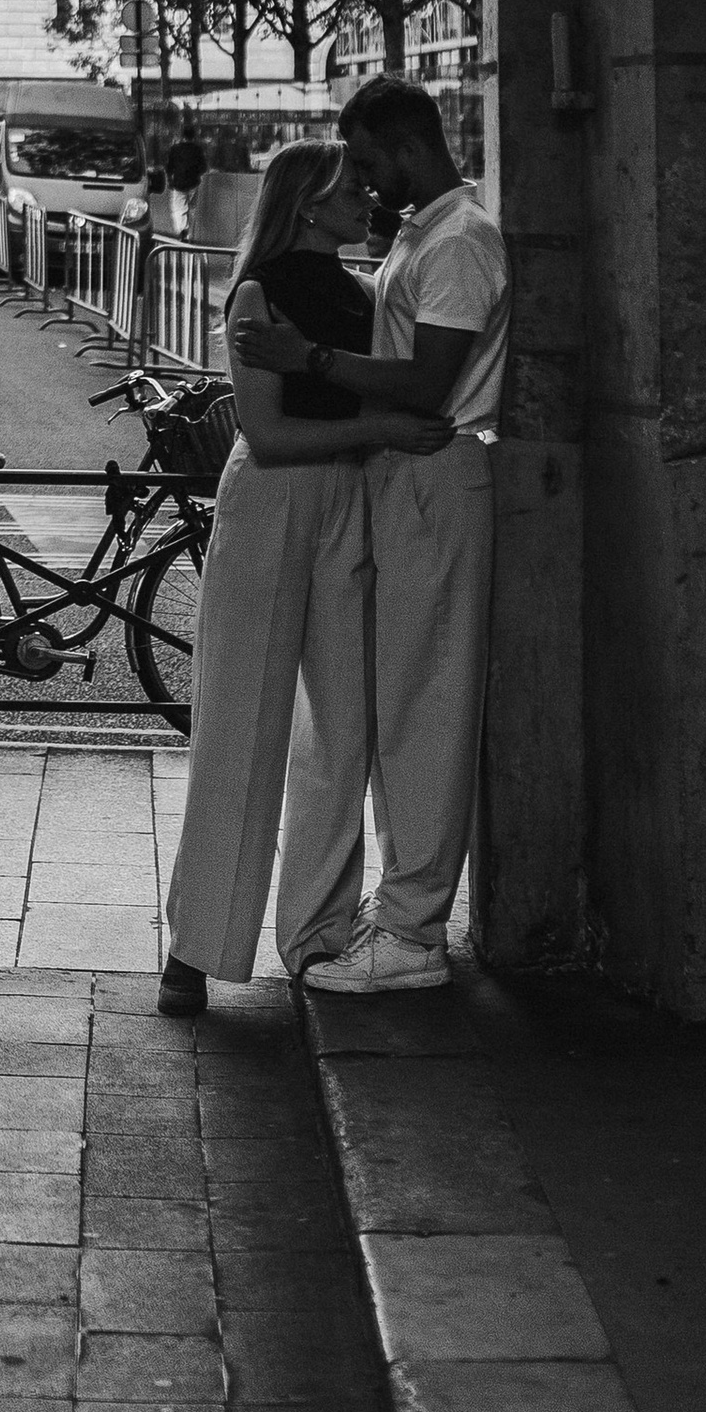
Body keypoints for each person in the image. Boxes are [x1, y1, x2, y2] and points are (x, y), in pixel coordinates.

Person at [158, 143, 455, 1017]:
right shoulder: (260, 293)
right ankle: (196, 948)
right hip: (274, 499)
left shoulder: (364, 292)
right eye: (348, 185)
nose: (366, 194)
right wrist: (379, 431)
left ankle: (317, 936)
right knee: (239, 726)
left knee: (341, 728)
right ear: (307, 203)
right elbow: (269, 434)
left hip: (340, 498)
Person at [231, 74, 511, 995]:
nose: (362, 179)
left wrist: (308, 358)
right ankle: (399, 916)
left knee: (424, 707)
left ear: (405, 148)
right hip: (405, 475)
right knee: (400, 705)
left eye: (364, 160)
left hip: (433, 468)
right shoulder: (427, 235)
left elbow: (427, 382)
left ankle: (414, 935)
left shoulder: (459, 242)